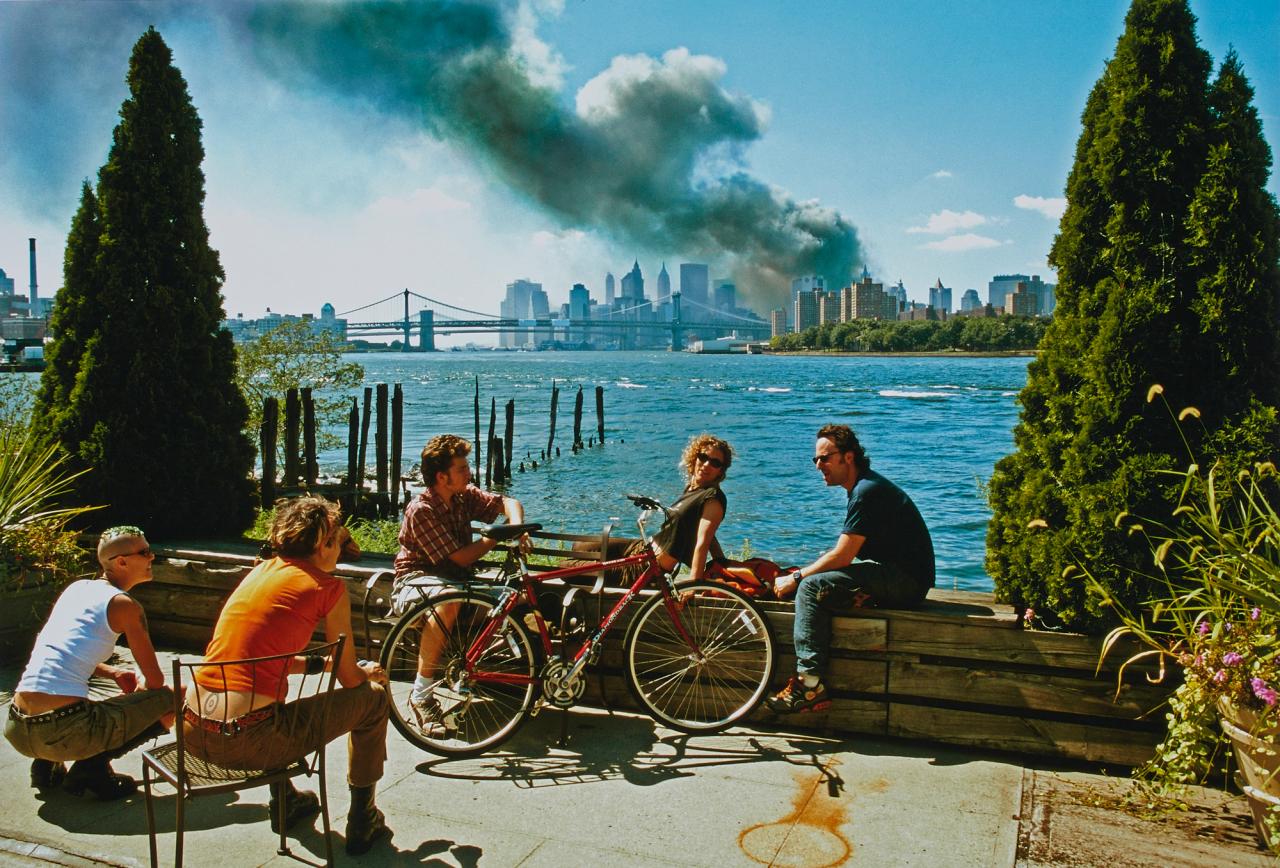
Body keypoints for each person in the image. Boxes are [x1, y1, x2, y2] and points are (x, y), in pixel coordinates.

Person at [188, 497, 391, 856]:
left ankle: (286, 800)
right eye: (338, 539)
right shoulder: (327, 588)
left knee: (274, 705)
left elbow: (263, 659)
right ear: (323, 544)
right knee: (373, 698)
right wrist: (360, 671)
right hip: (251, 742)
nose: (342, 547)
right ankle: (364, 818)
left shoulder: (261, 570)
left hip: (194, 731)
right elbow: (351, 681)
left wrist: (322, 664)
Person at [767, 424, 935, 714]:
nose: (819, 465)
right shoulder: (865, 487)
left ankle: (809, 687)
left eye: (825, 458)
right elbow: (848, 553)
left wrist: (796, 577)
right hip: (904, 577)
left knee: (809, 587)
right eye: (815, 460)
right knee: (819, 577)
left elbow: (843, 557)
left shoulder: (865, 492)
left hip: (905, 581)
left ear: (848, 457)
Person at [5, 526, 173, 800]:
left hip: (17, 726)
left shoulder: (77, 589)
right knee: (170, 699)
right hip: (63, 731)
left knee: (75, 701)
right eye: (145, 552)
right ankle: (91, 768)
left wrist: (113, 672)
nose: (152, 558)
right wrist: (140, 693)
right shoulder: (125, 605)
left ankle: (45, 765)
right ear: (122, 561)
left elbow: (55, 647)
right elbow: (155, 682)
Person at [392, 434, 529, 733]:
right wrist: (494, 537)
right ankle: (422, 695)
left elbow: (507, 502)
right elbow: (457, 560)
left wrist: (515, 528)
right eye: (463, 469)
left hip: (457, 581)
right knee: (448, 601)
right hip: (416, 581)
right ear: (442, 477)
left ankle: (500, 677)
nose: (469, 473)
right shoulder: (421, 510)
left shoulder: (463, 496)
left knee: (514, 597)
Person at [648, 434, 732, 581]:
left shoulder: (712, 497)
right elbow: (706, 533)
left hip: (648, 569)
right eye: (703, 457)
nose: (706, 464)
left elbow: (703, 542)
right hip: (642, 553)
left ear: (720, 471)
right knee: (595, 546)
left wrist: (693, 585)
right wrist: (721, 563)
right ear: (695, 458)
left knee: (595, 557)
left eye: (715, 463)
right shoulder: (693, 490)